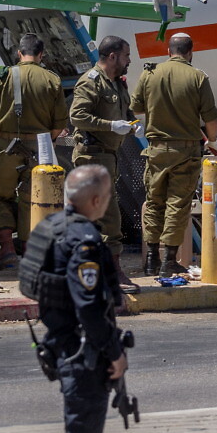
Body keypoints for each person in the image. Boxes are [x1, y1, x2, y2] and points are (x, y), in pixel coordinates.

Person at [23, 164, 127, 433]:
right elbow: (90, 308)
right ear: (96, 200)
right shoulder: (84, 240)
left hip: (62, 343)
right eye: (108, 196)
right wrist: (114, 352)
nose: (108, 202)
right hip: (82, 352)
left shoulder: (51, 228)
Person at [133, 32, 217, 276]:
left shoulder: (149, 74)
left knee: (154, 203)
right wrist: (212, 142)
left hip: (156, 150)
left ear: (168, 51)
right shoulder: (197, 77)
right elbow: (211, 119)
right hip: (186, 151)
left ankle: (151, 259)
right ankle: (169, 260)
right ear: (190, 52)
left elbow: (136, 107)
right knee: (177, 205)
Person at [0, 35, 67, 269]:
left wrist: (5, 135)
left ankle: (7, 249)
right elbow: (59, 126)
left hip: (7, 148)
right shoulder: (52, 80)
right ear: (41, 55)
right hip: (40, 150)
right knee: (33, 200)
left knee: (0, 197)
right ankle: (31, 252)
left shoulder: (3, 76)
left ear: (19, 53)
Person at [68, 35, 140, 292]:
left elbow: (125, 113)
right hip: (92, 156)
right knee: (106, 215)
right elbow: (77, 116)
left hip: (109, 155)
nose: (129, 60)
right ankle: (112, 271)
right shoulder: (91, 82)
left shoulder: (116, 84)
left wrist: (131, 126)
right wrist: (110, 126)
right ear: (112, 56)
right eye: (126, 56)